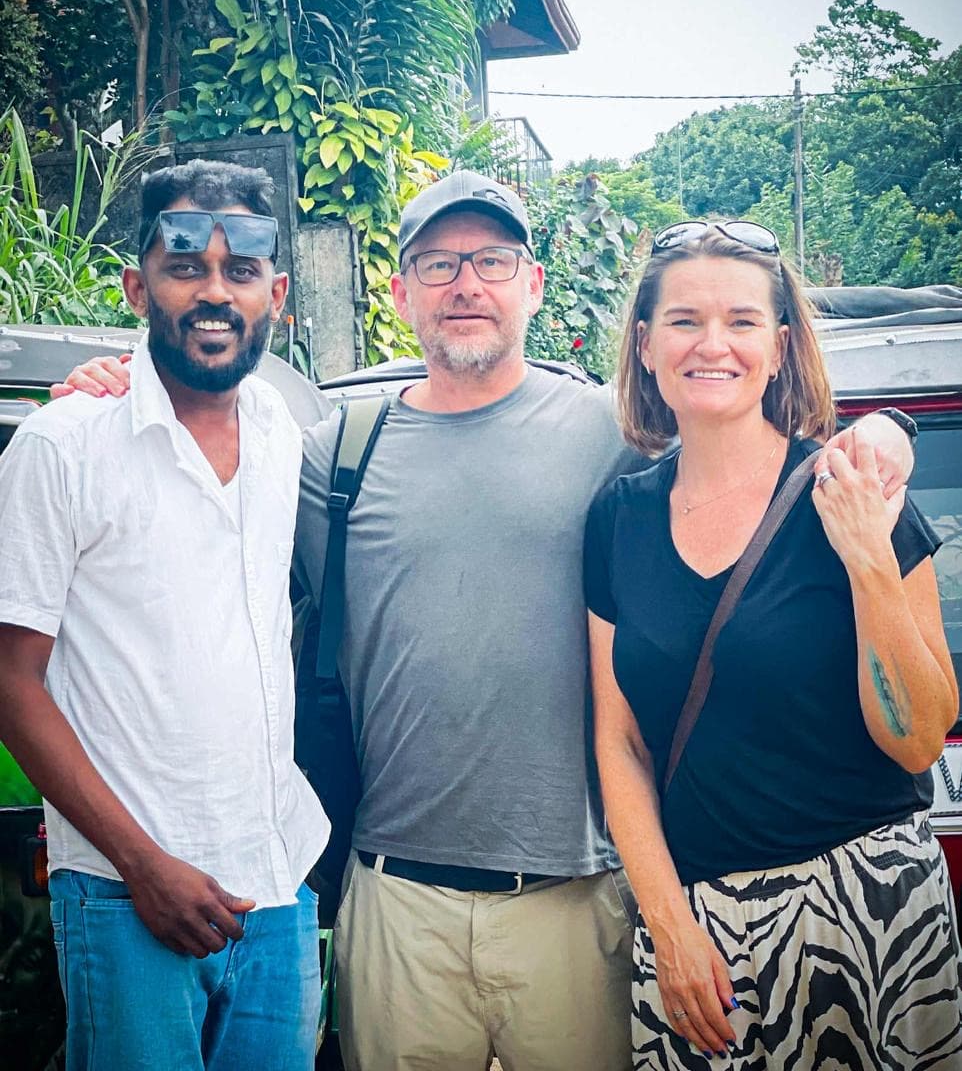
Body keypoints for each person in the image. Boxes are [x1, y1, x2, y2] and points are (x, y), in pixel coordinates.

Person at [56, 173, 917, 1071]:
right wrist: (122, 379)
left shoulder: (613, 433)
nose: (467, 284)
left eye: (493, 261)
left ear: (532, 284)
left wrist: (886, 430)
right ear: (399, 294)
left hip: (578, 900)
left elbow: (747, 429)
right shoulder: (331, 455)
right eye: (437, 264)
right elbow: (203, 471)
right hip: (396, 904)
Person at [584, 219, 962, 1070]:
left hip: (871, 910)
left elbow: (918, 737)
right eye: (683, 320)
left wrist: (866, 554)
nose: (712, 344)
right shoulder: (618, 518)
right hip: (700, 935)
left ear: (781, 346)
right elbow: (620, 740)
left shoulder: (856, 489)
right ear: (644, 345)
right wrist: (669, 926)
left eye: (742, 321)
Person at [0, 160, 330, 1071]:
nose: (215, 293)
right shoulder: (63, 445)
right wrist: (143, 867)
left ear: (279, 292)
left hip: (276, 888)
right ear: (137, 286)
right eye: (186, 268)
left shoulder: (277, 432)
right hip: (123, 894)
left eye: (242, 269)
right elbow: (11, 679)